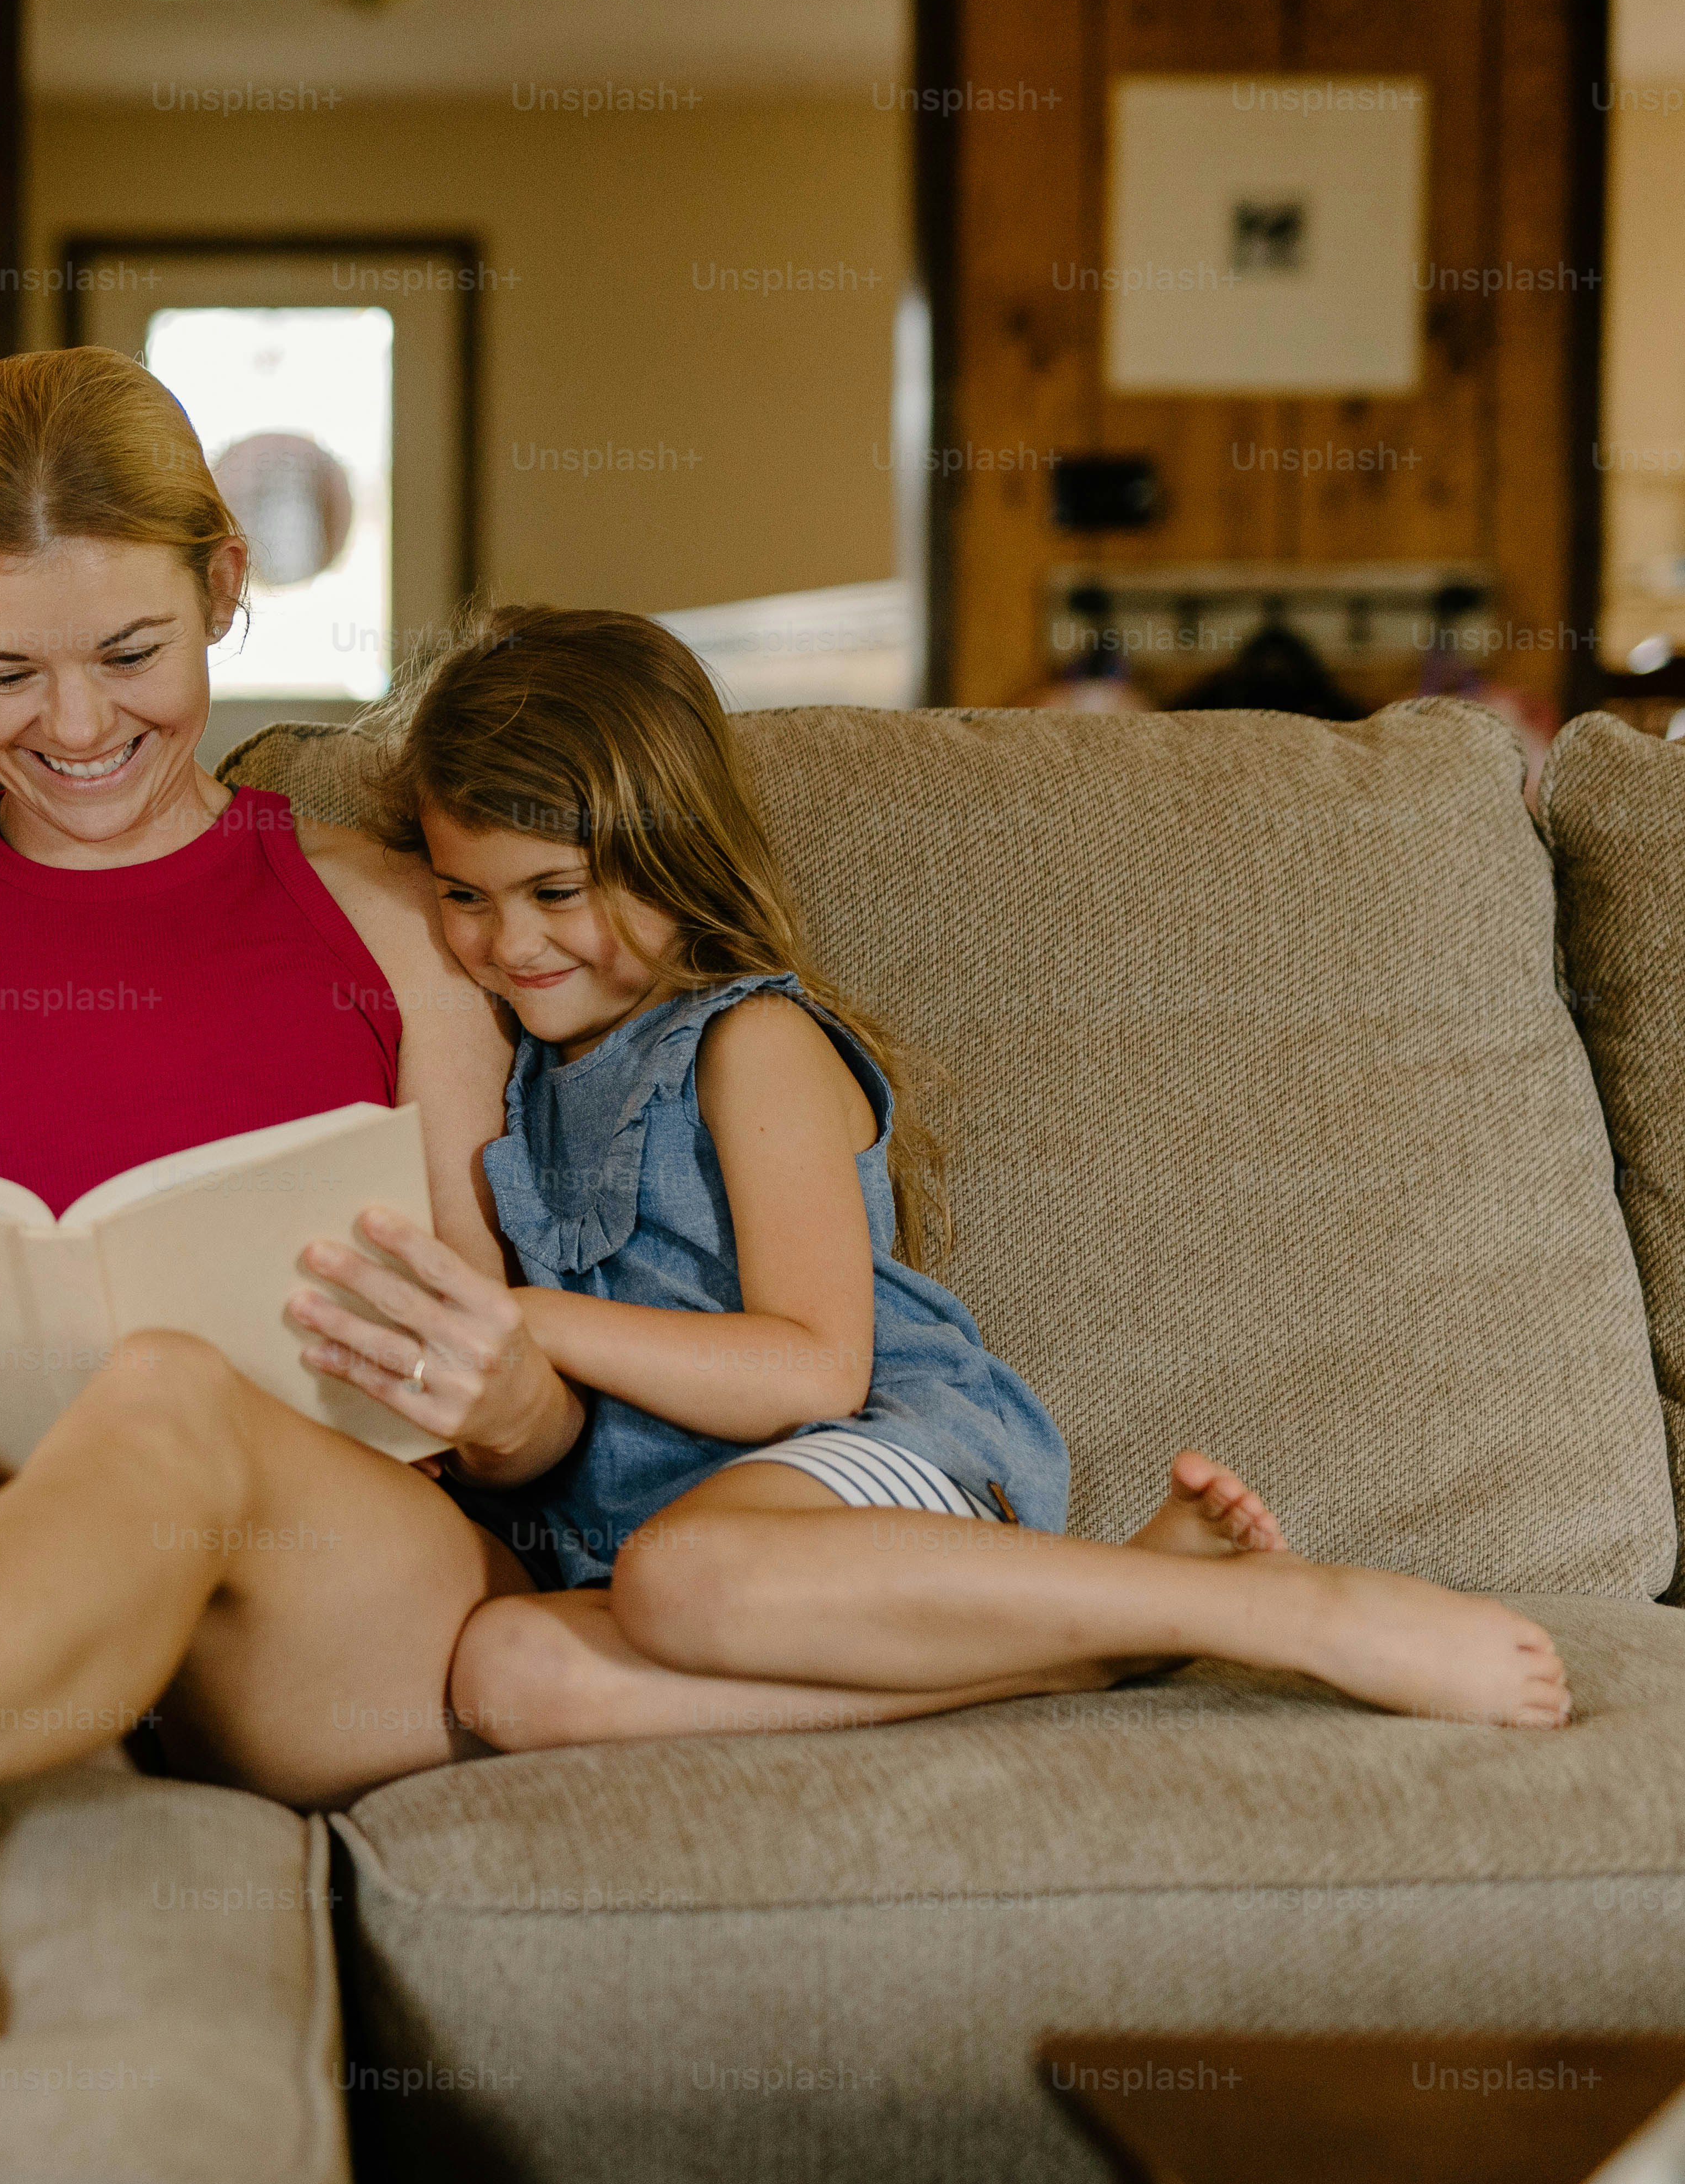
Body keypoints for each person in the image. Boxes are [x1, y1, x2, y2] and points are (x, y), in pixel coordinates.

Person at [0, 377, 1571, 2054]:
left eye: (132, 651)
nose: (73, 728)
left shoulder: (392, 918)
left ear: (229, 594)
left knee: (168, 1390)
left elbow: (530, 1414)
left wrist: (505, 1396)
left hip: (316, 1598)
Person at [356, 605, 1567, 1753]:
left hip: (863, 1461)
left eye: (552, 891)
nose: (507, 944)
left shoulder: (745, 1044)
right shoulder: (529, 1077)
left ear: (669, 849)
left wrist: (527, 1318)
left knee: (685, 1576)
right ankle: (1097, 1640)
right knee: (504, 1668)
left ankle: (1292, 1617)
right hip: (672, 1545)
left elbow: (811, 1366)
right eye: (463, 896)